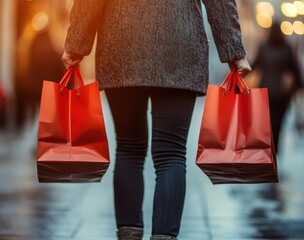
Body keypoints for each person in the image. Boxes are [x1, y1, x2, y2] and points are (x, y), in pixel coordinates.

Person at [62, 1, 251, 239]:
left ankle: (129, 232)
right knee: (171, 153)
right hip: (180, 44)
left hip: (121, 43)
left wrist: (76, 44)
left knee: (129, 147)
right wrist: (234, 51)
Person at [252, 22, 304, 154]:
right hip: (281, 94)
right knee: (278, 124)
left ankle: (267, 150)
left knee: (265, 124)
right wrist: (300, 86)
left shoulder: (263, 48)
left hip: (264, 93)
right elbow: (294, 69)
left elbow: (255, 66)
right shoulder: (287, 49)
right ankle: (275, 150)